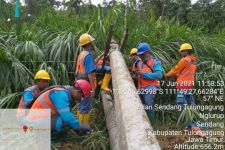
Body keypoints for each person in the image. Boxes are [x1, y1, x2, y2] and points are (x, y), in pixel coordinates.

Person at [27, 80, 92, 132]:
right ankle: (52, 139)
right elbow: (67, 117)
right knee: (66, 123)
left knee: (70, 120)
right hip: (35, 123)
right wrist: (79, 126)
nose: (81, 99)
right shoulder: (61, 95)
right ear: (78, 91)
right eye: (82, 96)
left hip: (39, 119)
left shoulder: (63, 91)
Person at [136, 43, 163, 129]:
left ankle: (151, 126)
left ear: (148, 53)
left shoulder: (155, 62)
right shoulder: (139, 63)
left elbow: (158, 75)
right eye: (140, 55)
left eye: (142, 55)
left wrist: (143, 74)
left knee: (148, 103)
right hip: (141, 87)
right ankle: (144, 125)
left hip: (151, 86)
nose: (141, 57)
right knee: (140, 105)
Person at [75, 33, 96, 124]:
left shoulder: (81, 54)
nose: (92, 43)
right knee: (86, 107)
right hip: (86, 84)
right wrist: (93, 88)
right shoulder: (87, 56)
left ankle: (78, 126)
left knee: (81, 105)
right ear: (88, 43)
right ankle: (83, 129)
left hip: (79, 83)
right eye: (91, 41)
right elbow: (90, 73)